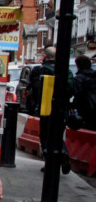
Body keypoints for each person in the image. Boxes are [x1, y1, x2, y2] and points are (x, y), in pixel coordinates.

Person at [28, 46, 72, 174]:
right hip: (61, 109)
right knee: (57, 133)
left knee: (45, 135)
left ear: (45, 57)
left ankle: (49, 162)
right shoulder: (66, 71)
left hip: (45, 107)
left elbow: (35, 88)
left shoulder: (39, 70)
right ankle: (62, 152)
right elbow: (71, 89)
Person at [73, 55, 96, 131]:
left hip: (85, 110)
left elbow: (78, 94)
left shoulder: (79, 78)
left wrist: (73, 106)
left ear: (78, 65)